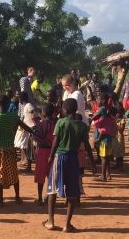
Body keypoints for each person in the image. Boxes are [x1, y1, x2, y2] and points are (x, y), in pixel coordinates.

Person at [44, 98, 97, 233]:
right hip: (74, 159)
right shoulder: (82, 126)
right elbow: (86, 145)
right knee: (72, 192)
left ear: (65, 110)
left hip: (60, 158)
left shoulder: (61, 122)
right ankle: (67, 225)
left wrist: (50, 156)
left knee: (52, 190)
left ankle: (50, 221)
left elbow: (55, 141)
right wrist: (93, 162)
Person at [0, 94, 35, 206]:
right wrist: (34, 132)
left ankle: (0, 200)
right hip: (11, 149)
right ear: (8, 104)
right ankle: (17, 197)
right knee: (14, 173)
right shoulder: (14, 117)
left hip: (0, 150)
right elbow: (25, 127)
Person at [32, 103, 56, 205]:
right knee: (51, 176)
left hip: (42, 152)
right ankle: (49, 197)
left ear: (44, 113)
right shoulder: (55, 124)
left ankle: (40, 198)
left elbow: (35, 137)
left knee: (40, 176)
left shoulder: (40, 124)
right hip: (52, 152)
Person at [14, 91, 37, 172]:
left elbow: (33, 115)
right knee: (25, 147)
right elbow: (25, 117)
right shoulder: (25, 106)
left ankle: (29, 167)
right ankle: (28, 165)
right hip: (27, 129)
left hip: (31, 129)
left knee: (29, 149)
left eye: (19, 98)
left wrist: (35, 126)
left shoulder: (28, 105)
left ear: (21, 98)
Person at [93, 107, 117, 181]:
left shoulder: (102, 119)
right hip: (110, 140)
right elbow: (114, 129)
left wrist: (96, 116)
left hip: (103, 141)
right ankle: (108, 174)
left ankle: (103, 176)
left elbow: (96, 125)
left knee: (103, 158)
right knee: (107, 158)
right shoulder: (112, 119)